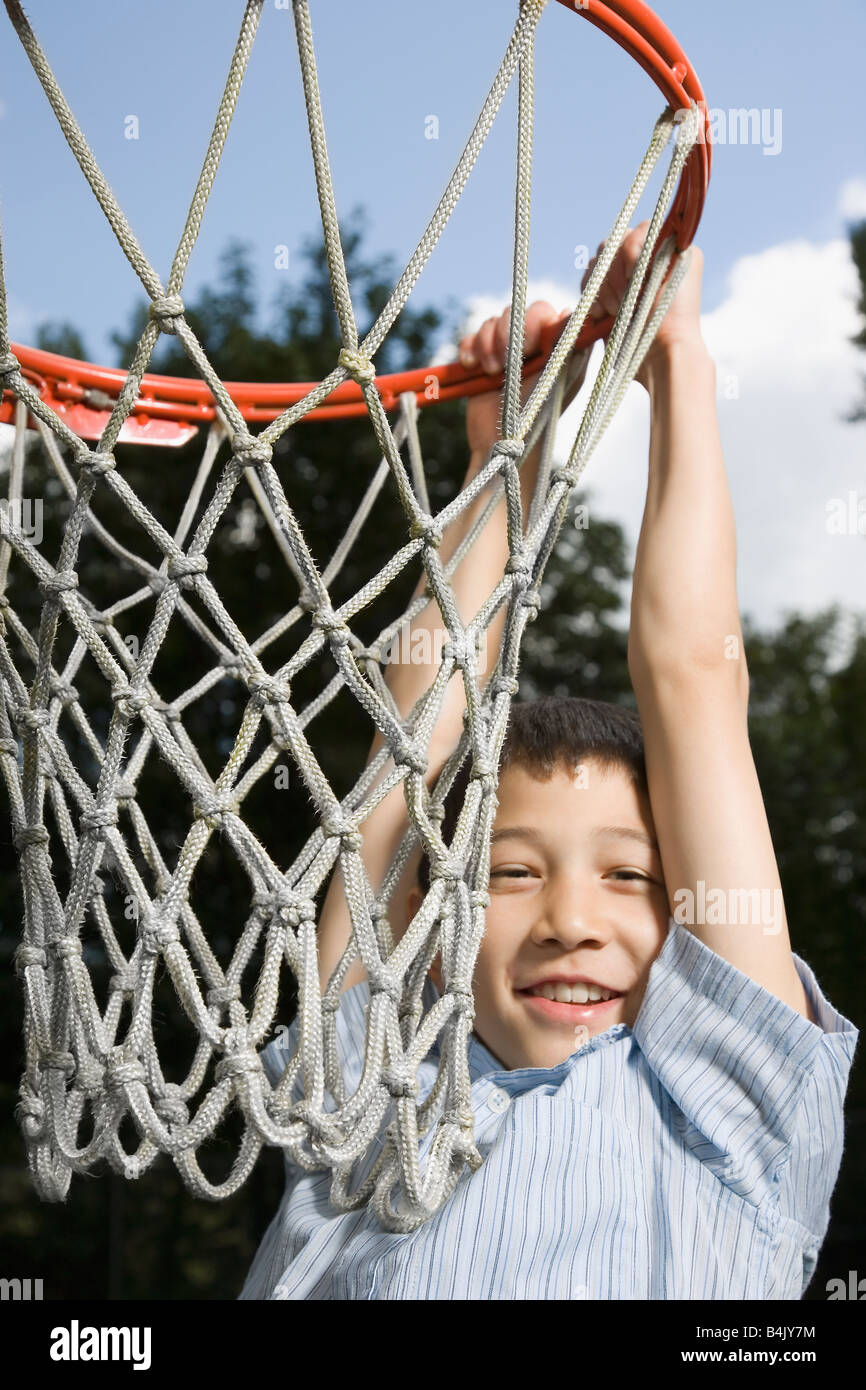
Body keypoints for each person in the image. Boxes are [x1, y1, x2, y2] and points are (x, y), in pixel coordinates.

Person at [239, 222, 858, 1300]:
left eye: (630, 876)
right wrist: (501, 449)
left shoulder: (723, 1112)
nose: (570, 917)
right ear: (430, 938)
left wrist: (674, 361)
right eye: (511, 872)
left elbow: (693, 683)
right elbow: (417, 730)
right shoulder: (372, 1093)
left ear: (694, 920)